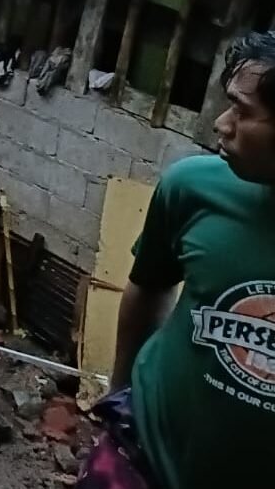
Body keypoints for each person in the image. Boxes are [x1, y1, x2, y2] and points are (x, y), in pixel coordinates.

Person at [77, 32, 275, 489]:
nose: (222, 125)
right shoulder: (193, 188)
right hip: (140, 457)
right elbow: (148, 286)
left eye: (243, 111)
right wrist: (119, 399)